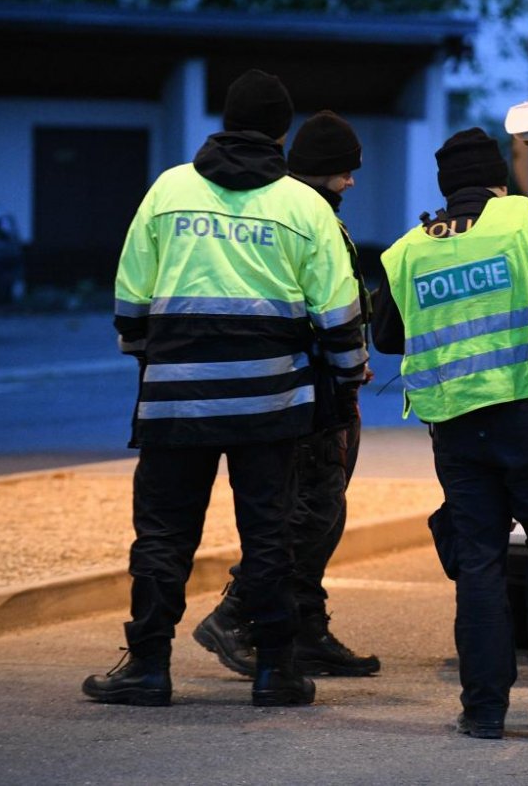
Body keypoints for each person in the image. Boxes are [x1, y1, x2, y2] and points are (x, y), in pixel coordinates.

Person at [83, 70, 369, 708]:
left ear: (226, 120)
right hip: (271, 404)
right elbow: (337, 314)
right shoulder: (302, 206)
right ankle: (274, 672)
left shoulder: (168, 190)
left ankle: (148, 667)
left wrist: (151, 355)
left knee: (163, 533)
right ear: (282, 134)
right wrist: (347, 375)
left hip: (175, 398)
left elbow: (130, 298)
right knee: (268, 533)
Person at [370, 128, 528, 739]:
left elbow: (388, 337)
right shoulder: (522, 225)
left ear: (445, 189)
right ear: (497, 181)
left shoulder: (409, 250)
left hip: (456, 426)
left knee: (478, 562)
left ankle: (483, 711)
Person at [192, 110, 380, 679]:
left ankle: (305, 628)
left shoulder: (297, 210)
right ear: (322, 170)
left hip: (320, 384)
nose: (351, 181)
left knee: (322, 510)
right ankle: (235, 613)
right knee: (308, 514)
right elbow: (324, 305)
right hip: (312, 391)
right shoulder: (306, 215)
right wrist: (348, 366)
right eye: (345, 171)